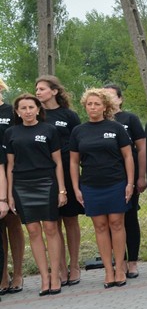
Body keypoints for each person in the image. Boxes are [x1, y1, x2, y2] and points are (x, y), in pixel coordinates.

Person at [69, 89, 134, 288]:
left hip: (115, 182)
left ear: (104, 106)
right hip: (90, 184)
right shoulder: (78, 131)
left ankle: (120, 267)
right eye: (89, 104)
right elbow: (73, 162)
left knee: (116, 223)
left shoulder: (116, 128)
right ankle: (108, 270)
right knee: (100, 226)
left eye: (97, 104)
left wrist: (130, 183)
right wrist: (76, 188)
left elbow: (128, 156)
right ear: (85, 107)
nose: (93, 107)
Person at [4, 94, 67, 295]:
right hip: (22, 186)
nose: (28, 111)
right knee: (33, 231)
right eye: (23, 108)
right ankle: (44, 277)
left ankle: (56, 274)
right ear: (17, 112)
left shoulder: (49, 130)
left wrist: (61, 190)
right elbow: (10, 166)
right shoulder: (11, 133)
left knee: (51, 228)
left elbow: (58, 163)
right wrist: (9, 195)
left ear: (38, 109)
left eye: (31, 107)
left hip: (47, 182)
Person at [36, 75, 82, 287]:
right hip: (44, 174)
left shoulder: (69, 115)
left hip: (67, 170)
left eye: (42, 89)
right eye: (36, 89)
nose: (38, 92)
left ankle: (74, 266)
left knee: (70, 219)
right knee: (52, 223)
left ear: (54, 91)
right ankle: (60, 268)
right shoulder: (37, 115)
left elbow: (80, 142)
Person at [103, 84, 146, 278]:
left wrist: (141, 176)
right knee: (111, 221)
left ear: (120, 99)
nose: (108, 100)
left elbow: (142, 148)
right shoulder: (98, 121)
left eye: (111, 97)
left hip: (129, 175)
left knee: (129, 219)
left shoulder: (130, 119)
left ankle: (133, 261)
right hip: (107, 178)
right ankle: (119, 261)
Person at [0, 79, 25, 296]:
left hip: (12, 172)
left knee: (13, 224)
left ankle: (17, 273)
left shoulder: (11, 112)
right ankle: (2, 275)